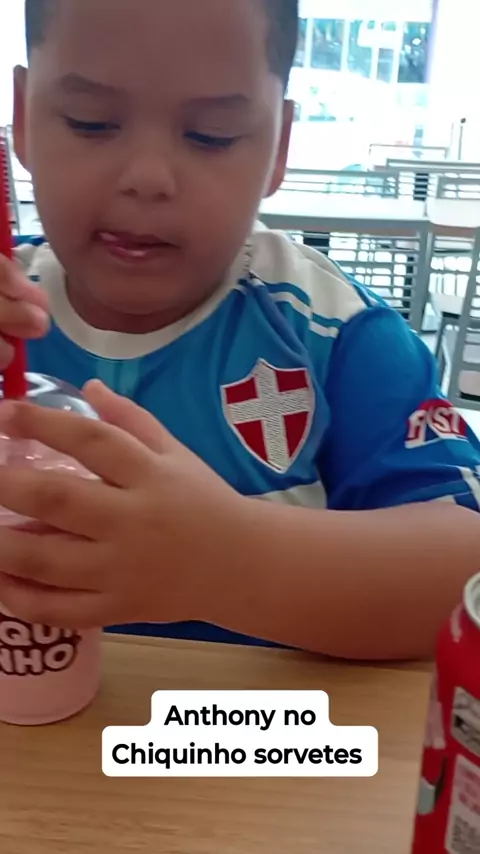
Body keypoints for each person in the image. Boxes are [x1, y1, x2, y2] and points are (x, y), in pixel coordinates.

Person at [0, 0, 478, 662]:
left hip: (257, 727)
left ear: (279, 147)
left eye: (211, 135)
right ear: (25, 118)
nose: (148, 178)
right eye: (92, 122)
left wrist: (226, 562)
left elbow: (464, 560)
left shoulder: (337, 337)